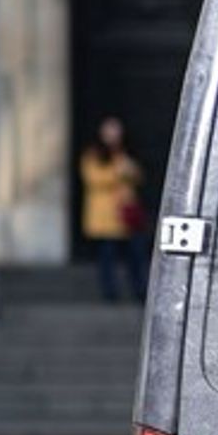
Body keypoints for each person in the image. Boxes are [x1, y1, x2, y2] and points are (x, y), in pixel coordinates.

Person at [79, 115, 148, 302]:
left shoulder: (126, 152)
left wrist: (128, 170)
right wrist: (118, 172)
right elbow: (93, 179)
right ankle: (110, 292)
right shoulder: (93, 154)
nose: (113, 135)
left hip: (127, 213)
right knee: (107, 257)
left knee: (136, 256)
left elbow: (138, 175)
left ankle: (139, 290)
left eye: (116, 130)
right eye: (110, 131)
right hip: (105, 216)